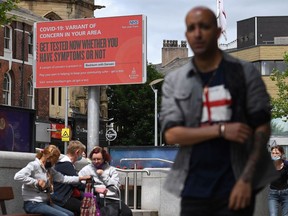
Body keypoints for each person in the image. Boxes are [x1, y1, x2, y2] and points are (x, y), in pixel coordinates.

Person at [159, 6, 279, 216]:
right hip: (194, 187)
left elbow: (262, 127)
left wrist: (246, 180)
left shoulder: (244, 72)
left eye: (204, 26)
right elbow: (170, 134)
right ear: (186, 35)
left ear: (217, 31)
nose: (197, 33)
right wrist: (220, 130)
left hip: (235, 183)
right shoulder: (176, 80)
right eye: (191, 28)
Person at [14, 144, 91, 216]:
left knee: (70, 214)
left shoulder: (49, 169)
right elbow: (18, 176)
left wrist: (81, 178)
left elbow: (63, 178)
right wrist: (36, 182)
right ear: (49, 158)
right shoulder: (34, 165)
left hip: (46, 202)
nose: (54, 163)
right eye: (54, 161)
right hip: (33, 203)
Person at [78, 146, 132, 216]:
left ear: (104, 159)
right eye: (94, 159)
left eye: (99, 159)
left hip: (111, 198)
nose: (96, 161)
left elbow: (116, 185)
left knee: (127, 212)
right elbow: (80, 185)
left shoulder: (111, 170)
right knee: (109, 212)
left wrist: (103, 175)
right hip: (95, 198)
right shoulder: (86, 170)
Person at [51, 140, 87, 216]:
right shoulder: (66, 165)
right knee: (86, 208)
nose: (81, 156)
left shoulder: (62, 163)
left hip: (61, 197)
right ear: (77, 152)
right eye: (81, 153)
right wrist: (90, 187)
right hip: (61, 199)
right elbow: (77, 184)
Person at [268, 145, 288, 216]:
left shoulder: (286, 164)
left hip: (286, 193)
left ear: (282, 153)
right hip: (273, 194)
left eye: (277, 153)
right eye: (273, 153)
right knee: (273, 214)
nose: (274, 155)